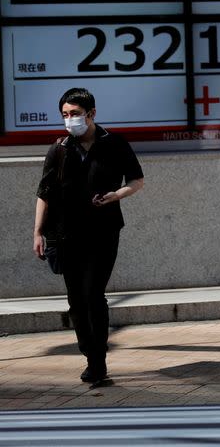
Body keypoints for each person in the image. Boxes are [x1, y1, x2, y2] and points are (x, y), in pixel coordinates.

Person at [33, 88, 144, 383]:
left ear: (92, 114)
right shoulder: (59, 149)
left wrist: (115, 195)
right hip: (65, 232)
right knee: (75, 300)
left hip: (103, 231)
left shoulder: (116, 144)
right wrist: (38, 232)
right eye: (66, 115)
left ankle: (98, 361)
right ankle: (88, 351)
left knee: (93, 293)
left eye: (75, 114)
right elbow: (44, 193)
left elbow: (137, 180)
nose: (70, 120)